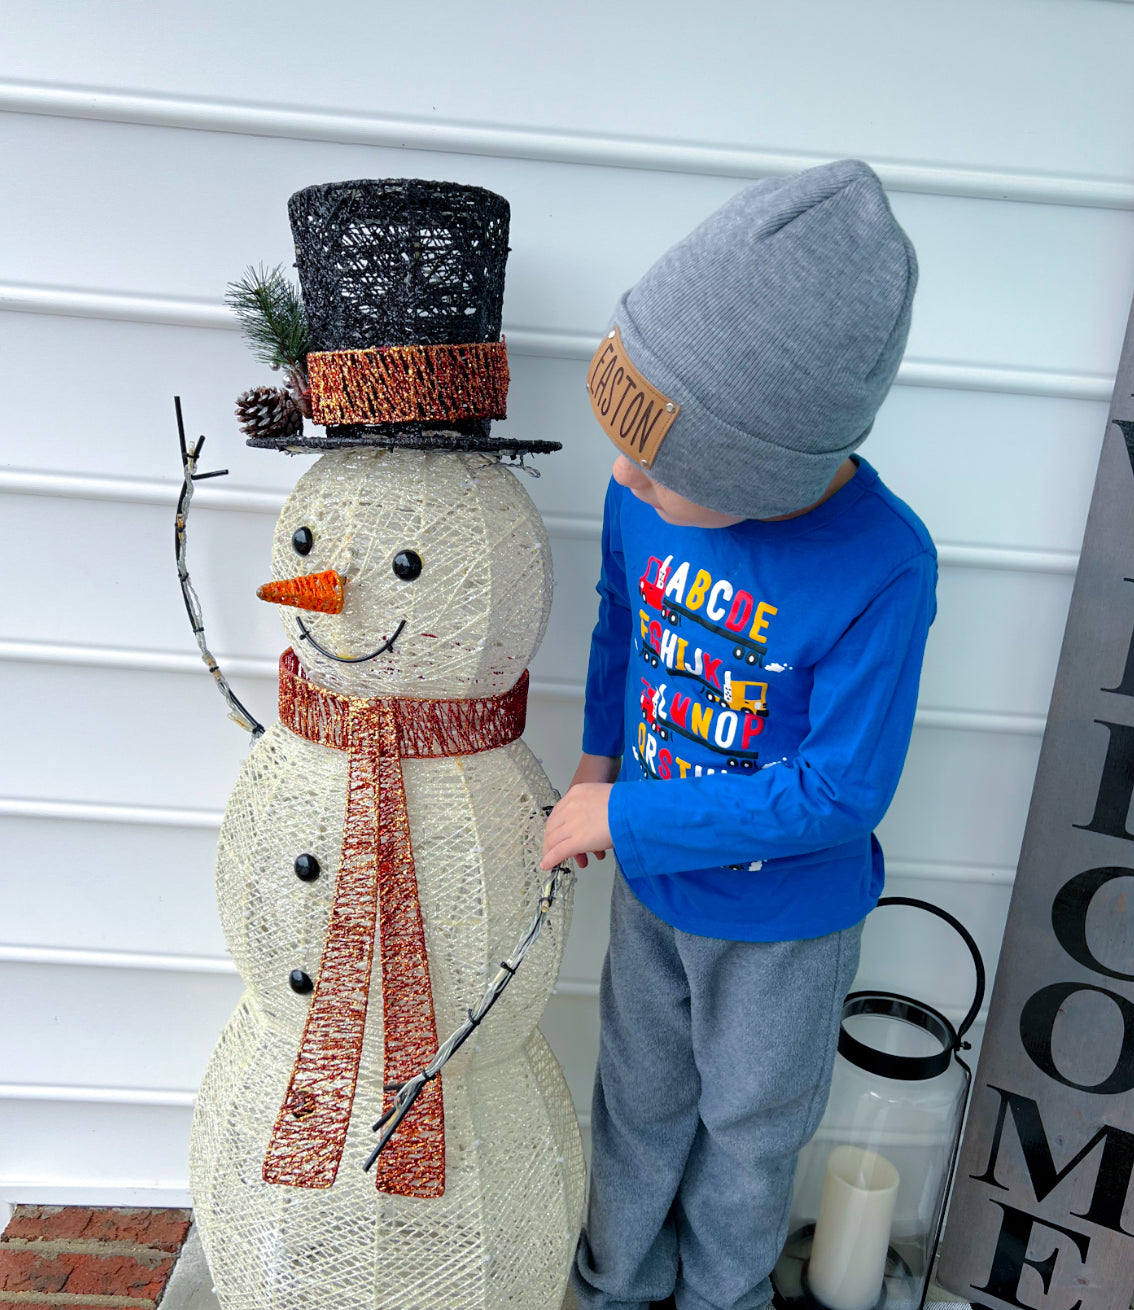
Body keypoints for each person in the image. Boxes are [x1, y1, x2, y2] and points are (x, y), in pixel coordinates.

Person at [540, 159, 937, 1310]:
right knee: (636, 1104)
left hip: (782, 929)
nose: (621, 476)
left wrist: (624, 808)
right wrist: (596, 770)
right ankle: (615, 1285)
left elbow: (841, 790)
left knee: (750, 1137)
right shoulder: (644, 497)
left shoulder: (882, 566)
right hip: (655, 891)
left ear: (766, 473)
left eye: (661, 466)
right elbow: (625, 633)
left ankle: (722, 1298)